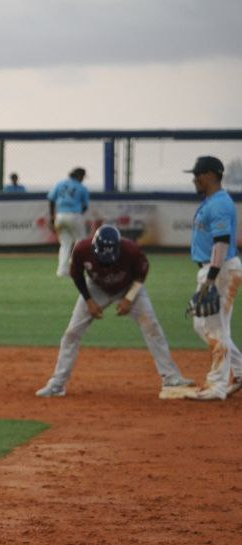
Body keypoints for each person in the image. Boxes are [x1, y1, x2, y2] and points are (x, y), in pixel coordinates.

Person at [34, 224, 194, 398]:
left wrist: (129, 298)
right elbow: (77, 276)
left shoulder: (131, 250)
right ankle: (57, 384)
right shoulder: (82, 249)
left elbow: (142, 273)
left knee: (152, 327)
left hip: (129, 286)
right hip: (96, 288)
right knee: (72, 332)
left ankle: (171, 378)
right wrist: (89, 300)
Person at [182, 155, 242, 400]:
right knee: (206, 325)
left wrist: (211, 277)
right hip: (219, 268)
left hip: (220, 269)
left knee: (214, 327)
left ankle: (217, 386)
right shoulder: (213, 201)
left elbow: (221, 242)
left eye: (197, 175)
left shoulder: (218, 204)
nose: (194, 180)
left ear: (209, 175)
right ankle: (239, 372)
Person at [48, 167, 90, 277]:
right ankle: (78, 268)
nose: (83, 179)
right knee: (81, 242)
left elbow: (51, 200)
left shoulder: (60, 184)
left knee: (65, 243)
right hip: (74, 214)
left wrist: (52, 217)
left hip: (60, 215)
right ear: (79, 176)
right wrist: (78, 215)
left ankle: (62, 271)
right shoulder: (81, 187)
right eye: (82, 177)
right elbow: (85, 206)